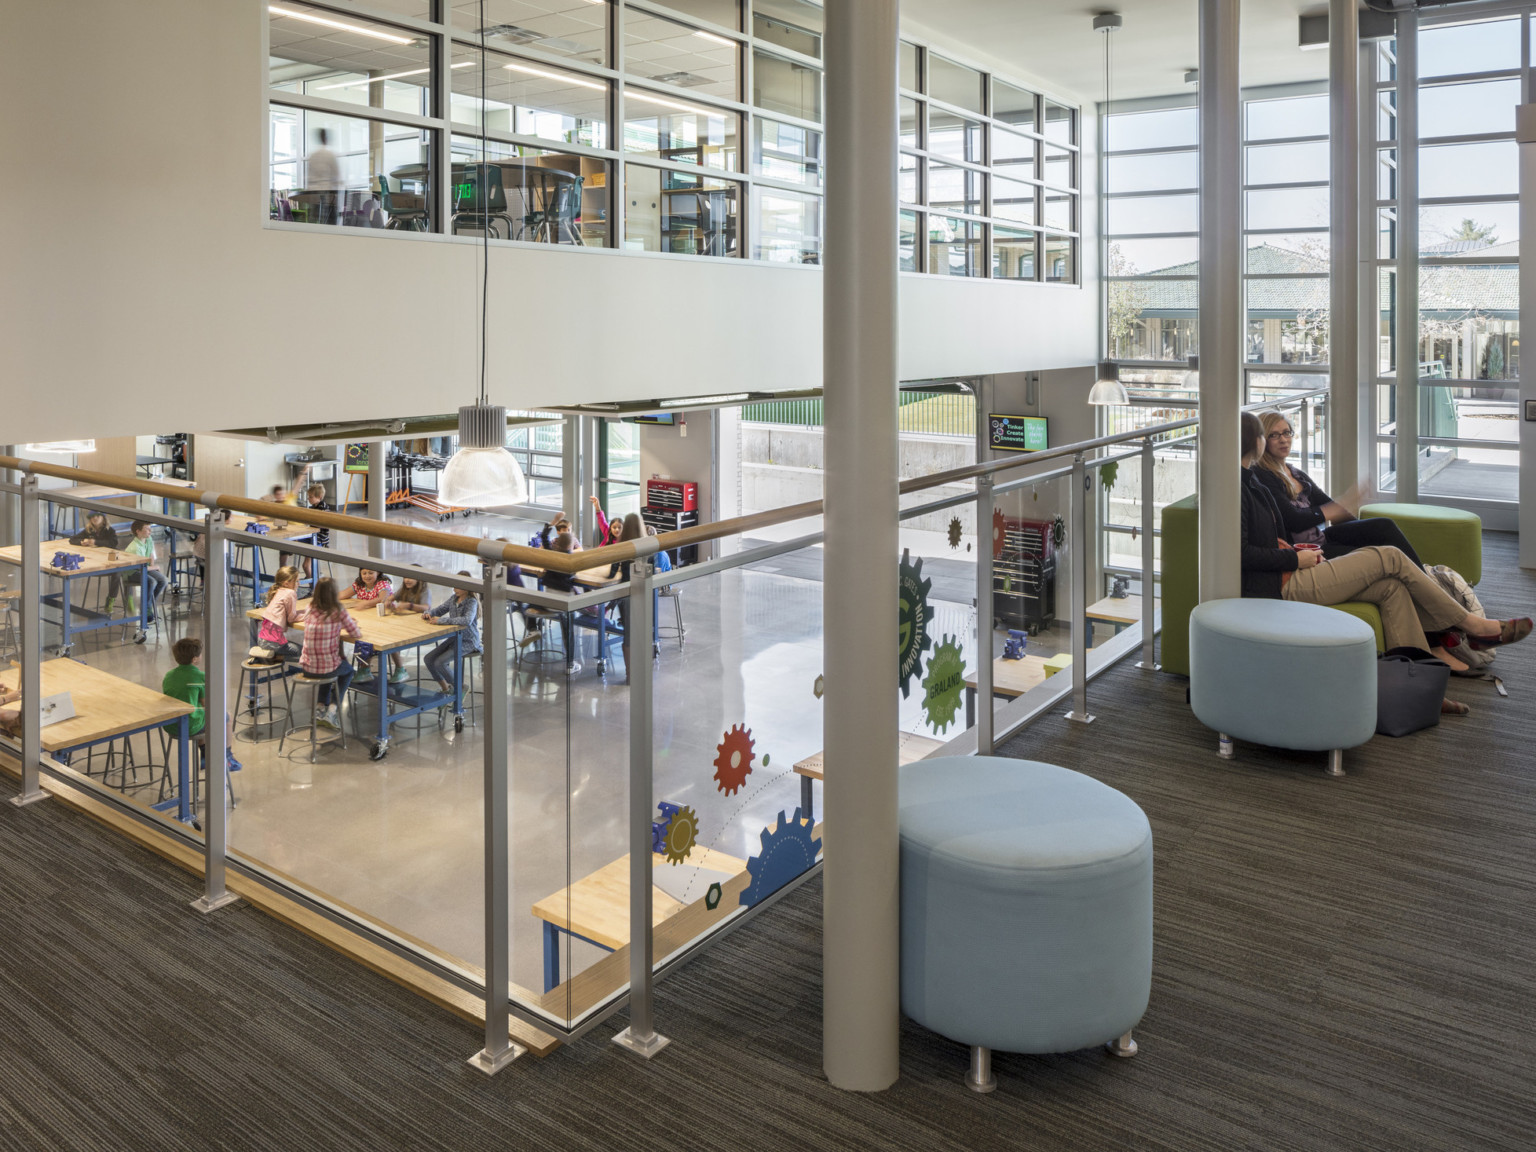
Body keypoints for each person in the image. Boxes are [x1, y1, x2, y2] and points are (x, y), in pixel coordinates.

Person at [1238, 411, 1529, 708]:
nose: (1280, 439)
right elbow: (1245, 552)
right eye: (1270, 434)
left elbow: (1279, 532)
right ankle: (1473, 626)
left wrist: (1309, 544)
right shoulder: (1244, 486)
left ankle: (1422, 688)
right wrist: (1294, 558)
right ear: (1257, 442)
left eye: (1286, 432)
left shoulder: (1254, 482)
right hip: (1284, 581)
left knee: (1393, 586)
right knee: (1389, 557)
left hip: (1297, 563)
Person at [1251, 411, 1425, 567]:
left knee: (1383, 526)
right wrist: (1340, 505)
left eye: (1287, 432)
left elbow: (1329, 505)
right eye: (1274, 435)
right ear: (1262, 441)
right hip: (1305, 551)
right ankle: (1424, 582)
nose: (1283, 439)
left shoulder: (1295, 473)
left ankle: (1425, 576)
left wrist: (1356, 521)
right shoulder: (1262, 474)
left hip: (1321, 538)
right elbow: (1293, 520)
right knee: (1378, 556)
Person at [162, 636, 240, 772]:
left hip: (171, 724)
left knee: (198, 713)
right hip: (189, 726)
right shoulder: (200, 677)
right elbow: (207, 706)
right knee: (227, 717)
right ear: (195, 659)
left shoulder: (169, 675)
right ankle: (227, 756)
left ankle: (205, 753)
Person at [300, 577, 360, 731]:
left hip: (307, 667)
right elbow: (355, 633)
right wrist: (350, 622)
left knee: (326, 669)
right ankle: (332, 709)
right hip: (328, 667)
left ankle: (320, 708)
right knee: (347, 672)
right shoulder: (338, 611)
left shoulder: (309, 608)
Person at [423, 572, 482, 696]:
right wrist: (428, 613)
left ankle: (460, 687)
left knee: (440, 663)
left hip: (468, 641)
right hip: (454, 638)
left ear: (466, 587)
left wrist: (441, 621)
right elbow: (439, 610)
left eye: (457, 586)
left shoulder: (471, 602)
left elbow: (466, 620)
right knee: (428, 659)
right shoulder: (453, 599)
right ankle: (446, 688)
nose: (454, 588)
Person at [339, 568, 402, 682]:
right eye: (364, 573)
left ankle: (400, 669)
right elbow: (343, 594)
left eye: (371, 573)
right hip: (369, 620)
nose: (367, 576)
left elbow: (383, 598)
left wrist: (366, 603)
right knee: (363, 638)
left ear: (378, 573)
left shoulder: (382, 584)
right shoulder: (359, 585)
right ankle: (364, 669)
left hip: (386, 621)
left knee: (389, 640)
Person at [70, 513, 129, 614]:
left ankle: (111, 599)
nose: (95, 518)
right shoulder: (88, 530)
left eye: (97, 516)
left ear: (103, 518)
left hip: (109, 563)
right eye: (92, 517)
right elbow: (72, 539)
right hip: (94, 564)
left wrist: (95, 542)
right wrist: (82, 541)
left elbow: (112, 543)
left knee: (117, 572)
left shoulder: (110, 530)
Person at [253, 565, 305, 663]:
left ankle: (275, 656)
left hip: (262, 640)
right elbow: (291, 618)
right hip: (273, 644)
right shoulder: (290, 593)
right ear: (286, 583)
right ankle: (276, 657)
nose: (299, 583)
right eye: (297, 581)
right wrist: (307, 616)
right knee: (305, 651)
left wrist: (303, 612)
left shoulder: (279, 591)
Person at [124, 520, 168, 619]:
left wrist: (153, 567)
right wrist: (155, 568)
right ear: (138, 531)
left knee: (163, 580)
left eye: (150, 528)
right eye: (147, 529)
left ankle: (148, 604)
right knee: (151, 582)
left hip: (145, 568)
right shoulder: (135, 547)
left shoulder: (148, 539)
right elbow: (140, 568)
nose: (150, 531)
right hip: (132, 572)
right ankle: (146, 608)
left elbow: (151, 554)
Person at [307, 128, 340, 224]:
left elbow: (309, 177)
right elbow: (336, 176)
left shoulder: (312, 156)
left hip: (313, 194)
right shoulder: (330, 155)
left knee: (315, 222)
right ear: (326, 138)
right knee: (330, 223)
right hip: (328, 194)